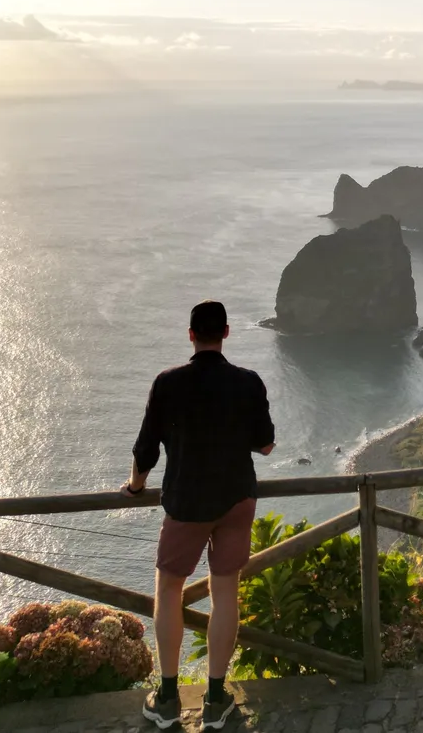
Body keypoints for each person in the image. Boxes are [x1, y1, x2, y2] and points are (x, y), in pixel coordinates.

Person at [121, 300, 275, 730]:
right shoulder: (248, 382)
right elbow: (265, 445)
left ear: (191, 335)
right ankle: (215, 698)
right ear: (225, 332)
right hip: (236, 499)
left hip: (186, 502)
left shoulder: (168, 383)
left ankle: (168, 697)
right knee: (226, 590)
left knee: (169, 589)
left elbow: (145, 450)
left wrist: (135, 487)